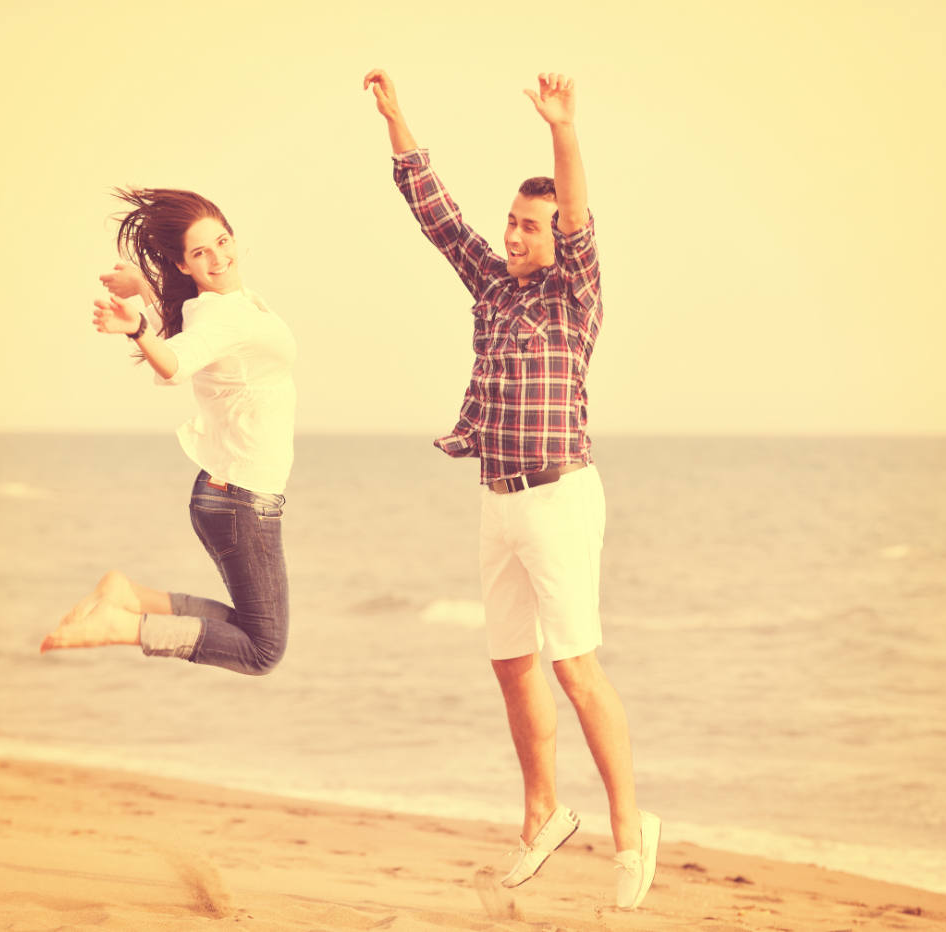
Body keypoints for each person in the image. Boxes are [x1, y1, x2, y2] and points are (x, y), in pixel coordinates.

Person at [361, 69, 659, 910]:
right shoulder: (491, 287)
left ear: (559, 238)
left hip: (561, 496)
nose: (517, 235)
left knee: (576, 667)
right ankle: (543, 817)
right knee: (509, 661)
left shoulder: (575, 294)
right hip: (497, 497)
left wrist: (562, 131)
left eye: (533, 226)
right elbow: (436, 216)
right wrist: (397, 118)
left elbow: (577, 210)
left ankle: (632, 830)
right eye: (514, 223)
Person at [39, 188, 296, 677]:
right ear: (185, 265)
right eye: (201, 253)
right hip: (242, 498)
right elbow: (177, 363)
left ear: (234, 239)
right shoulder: (223, 315)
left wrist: (143, 289)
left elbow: (185, 333)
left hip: (233, 496)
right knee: (261, 650)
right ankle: (120, 625)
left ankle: (129, 597)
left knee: (254, 631)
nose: (218, 257)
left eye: (222, 242)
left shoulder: (226, 305)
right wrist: (138, 329)